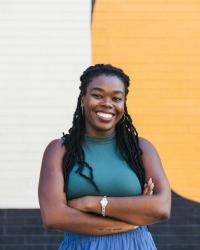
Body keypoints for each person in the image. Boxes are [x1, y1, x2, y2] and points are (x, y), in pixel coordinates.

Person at [38, 64, 171, 249]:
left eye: (116, 98)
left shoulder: (141, 148)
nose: (107, 103)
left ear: (123, 103)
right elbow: (54, 216)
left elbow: (161, 207)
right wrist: (132, 219)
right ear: (83, 98)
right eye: (98, 95)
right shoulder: (59, 150)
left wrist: (90, 203)